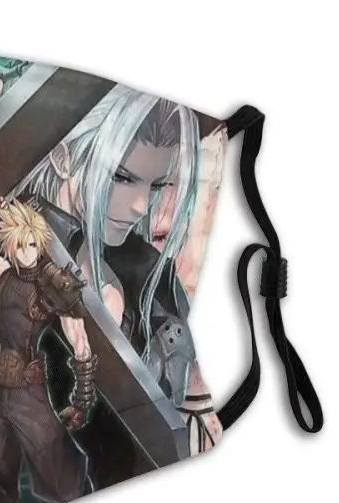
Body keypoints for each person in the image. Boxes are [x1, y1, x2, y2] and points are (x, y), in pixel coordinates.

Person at [20, 84, 221, 463]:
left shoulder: (153, 277)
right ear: (63, 160)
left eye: (155, 184)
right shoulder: (20, 258)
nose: (141, 205)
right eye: (122, 178)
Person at [0, 201, 95, 503]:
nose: (26, 253)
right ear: (10, 246)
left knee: (59, 472)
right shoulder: (1, 273)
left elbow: (80, 341)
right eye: (19, 245)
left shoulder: (54, 287)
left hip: (27, 391)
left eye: (32, 244)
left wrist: (81, 399)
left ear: (40, 243)